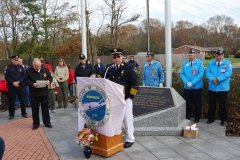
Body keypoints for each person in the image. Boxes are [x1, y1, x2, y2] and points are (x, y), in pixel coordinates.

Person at [104, 48, 138, 148]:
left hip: (126, 98)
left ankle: (130, 138)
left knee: (127, 119)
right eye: (114, 57)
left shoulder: (128, 67)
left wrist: (131, 97)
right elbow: (103, 79)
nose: (116, 59)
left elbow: (135, 84)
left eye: (118, 57)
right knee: (114, 118)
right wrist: (94, 75)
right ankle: (115, 135)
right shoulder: (109, 68)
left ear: (122, 56)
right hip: (113, 99)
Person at [24, 58, 53, 130]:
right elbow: (26, 80)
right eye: (36, 66)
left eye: (39, 66)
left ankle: (47, 122)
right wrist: (32, 84)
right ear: (33, 65)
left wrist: (49, 81)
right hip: (34, 94)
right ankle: (36, 123)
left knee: (45, 109)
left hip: (44, 93)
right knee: (35, 110)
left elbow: (50, 77)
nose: (38, 68)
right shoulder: (29, 71)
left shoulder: (45, 70)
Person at [205, 50, 232, 126]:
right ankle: (211, 118)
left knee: (222, 104)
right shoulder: (211, 63)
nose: (218, 57)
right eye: (217, 56)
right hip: (212, 88)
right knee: (211, 104)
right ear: (215, 56)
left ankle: (223, 119)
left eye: (220, 56)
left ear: (222, 56)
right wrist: (213, 79)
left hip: (223, 88)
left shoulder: (227, 63)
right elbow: (207, 72)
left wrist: (218, 79)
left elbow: (228, 73)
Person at [180, 49, 204, 123]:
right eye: (189, 55)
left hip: (196, 87)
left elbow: (201, 74)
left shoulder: (199, 63)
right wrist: (186, 82)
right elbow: (182, 73)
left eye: (191, 55)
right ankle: (187, 116)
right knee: (187, 103)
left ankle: (197, 117)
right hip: (187, 87)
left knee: (197, 103)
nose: (190, 56)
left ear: (195, 55)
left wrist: (192, 82)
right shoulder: (185, 63)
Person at [4, 55, 28, 120]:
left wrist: (18, 82)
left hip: (20, 86)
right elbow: (7, 77)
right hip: (12, 86)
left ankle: (24, 113)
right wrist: (13, 82)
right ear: (11, 60)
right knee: (11, 100)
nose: (16, 61)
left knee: (22, 100)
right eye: (15, 60)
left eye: (17, 60)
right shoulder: (8, 67)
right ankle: (11, 114)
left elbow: (24, 76)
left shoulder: (21, 67)